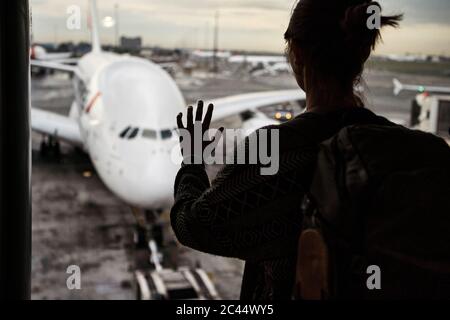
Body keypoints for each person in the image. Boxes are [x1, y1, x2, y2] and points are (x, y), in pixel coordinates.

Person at [170, 0, 402, 300]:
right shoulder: (396, 146)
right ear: (361, 55)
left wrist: (191, 159)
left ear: (297, 54)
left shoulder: (276, 153)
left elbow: (193, 225)